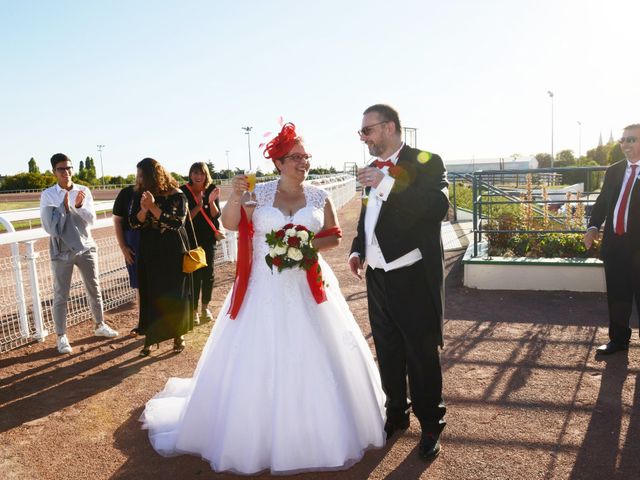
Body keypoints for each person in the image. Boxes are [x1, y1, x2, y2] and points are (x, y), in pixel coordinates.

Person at [140, 123, 385, 475]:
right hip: (262, 288)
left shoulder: (319, 195)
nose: (304, 162)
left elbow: (332, 236)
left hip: (308, 286)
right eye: (296, 157)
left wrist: (303, 246)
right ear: (279, 162)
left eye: (306, 156)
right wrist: (236, 196)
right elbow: (230, 223)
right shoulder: (259, 194)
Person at [348, 104, 449, 460]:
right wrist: (357, 249)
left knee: (421, 356)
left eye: (367, 130)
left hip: (412, 277)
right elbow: (366, 217)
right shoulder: (372, 170)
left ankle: (431, 427)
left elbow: (437, 207)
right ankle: (396, 416)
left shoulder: (427, 162)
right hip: (377, 278)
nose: (363, 138)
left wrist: (388, 183)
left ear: (389, 127)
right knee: (388, 352)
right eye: (361, 132)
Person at [40, 153, 119, 354]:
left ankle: (100, 325)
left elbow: (91, 220)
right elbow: (50, 226)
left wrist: (77, 207)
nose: (66, 172)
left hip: (86, 247)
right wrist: (63, 208)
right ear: (54, 172)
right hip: (62, 251)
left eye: (68, 168)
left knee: (94, 288)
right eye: (61, 169)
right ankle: (61, 336)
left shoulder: (83, 191)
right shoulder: (48, 195)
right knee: (61, 294)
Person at [584, 123, 640, 355]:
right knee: (618, 295)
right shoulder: (614, 170)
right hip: (615, 245)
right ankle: (618, 340)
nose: (625, 144)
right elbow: (602, 201)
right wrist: (593, 226)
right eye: (623, 140)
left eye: (632, 139)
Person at [129, 158, 194, 356]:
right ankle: (151, 338)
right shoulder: (141, 195)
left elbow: (176, 223)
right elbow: (133, 222)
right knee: (151, 293)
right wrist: (144, 209)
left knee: (175, 294)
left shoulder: (177, 195)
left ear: (153, 176)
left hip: (172, 251)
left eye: (142, 175)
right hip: (149, 250)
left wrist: (154, 207)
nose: (138, 179)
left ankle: (178, 335)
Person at [180, 162, 222, 325]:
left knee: (208, 275)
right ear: (190, 175)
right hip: (191, 239)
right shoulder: (183, 191)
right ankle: (194, 311)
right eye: (195, 173)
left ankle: (205, 308)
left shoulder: (212, 189)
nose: (198, 177)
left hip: (208, 238)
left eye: (201, 173)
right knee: (194, 275)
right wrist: (198, 206)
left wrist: (211, 202)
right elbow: (185, 218)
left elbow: (215, 215)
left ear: (206, 175)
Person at [112, 181, 141, 335]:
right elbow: (117, 220)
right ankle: (141, 322)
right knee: (140, 286)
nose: (140, 178)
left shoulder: (161, 192)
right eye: (139, 174)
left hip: (156, 248)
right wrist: (123, 247)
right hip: (133, 248)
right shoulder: (127, 193)